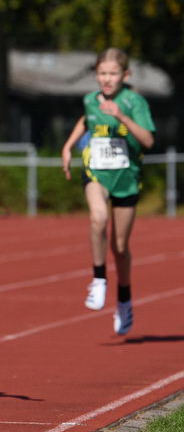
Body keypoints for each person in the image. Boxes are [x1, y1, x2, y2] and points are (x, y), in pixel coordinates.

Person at [61, 48, 154, 335]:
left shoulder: (135, 102)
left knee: (121, 247)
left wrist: (121, 116)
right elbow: (85, 120)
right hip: (96, 172)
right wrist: (68, 146)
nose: (107, 79)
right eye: (102, 73)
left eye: (113, 73)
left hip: (126, 178)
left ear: (126, 75)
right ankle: (99, 278)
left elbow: (148, 141)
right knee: (98, 218)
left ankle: (124, 300)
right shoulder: (91, 99)